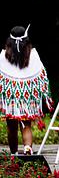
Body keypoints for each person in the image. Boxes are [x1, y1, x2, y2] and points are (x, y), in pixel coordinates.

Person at [0, 25, 53, 155]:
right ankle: (27, 149)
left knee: (11, 127)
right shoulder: (33, 54)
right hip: (27, 96)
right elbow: (41, 74)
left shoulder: (3, 54)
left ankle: (14, 154)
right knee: (26, 125)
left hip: (11, 96)